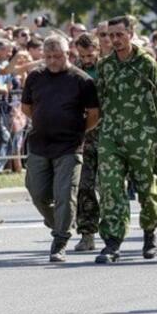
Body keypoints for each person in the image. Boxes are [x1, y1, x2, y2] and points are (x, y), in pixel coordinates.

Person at [21, 35, 99, 262]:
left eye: (58, 56)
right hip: (40, 144)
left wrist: (77, 131)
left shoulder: (81, 80)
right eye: (48, 57)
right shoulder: (35, 77)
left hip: (69, 147)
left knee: (65, 195)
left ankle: (60, 240)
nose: (53, 61)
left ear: (68, 54)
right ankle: (58, 221)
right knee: (37, 193)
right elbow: (27, 107)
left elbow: (94, 115)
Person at [95, 16, 157, 263]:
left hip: (142, 137)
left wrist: (154, 137)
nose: (114, 40)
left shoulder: (146, 64)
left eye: (119, 34)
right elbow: (101, 99)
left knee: (147, 187)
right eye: (110, 35)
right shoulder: (105, 66)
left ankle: (150, 233)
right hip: (112, 136)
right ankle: (113, 241)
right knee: (111, 188)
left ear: (131, 33)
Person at [72, 33, 101, 252]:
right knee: (85, 187)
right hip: (84, 137)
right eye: (82, 55)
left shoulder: (108, 69)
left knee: (110, 187)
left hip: (108, 135)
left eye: (90, 54)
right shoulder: (73, 72)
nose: (86, 59)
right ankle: (87, 234)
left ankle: (113, 232)